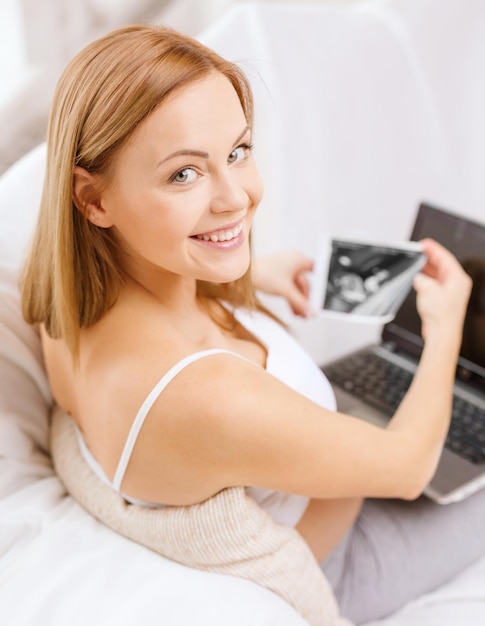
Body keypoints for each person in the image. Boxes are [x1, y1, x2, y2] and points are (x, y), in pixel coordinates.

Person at [21, 24, 485, 624]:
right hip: (344, 560)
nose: (235, 197)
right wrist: (444, 330)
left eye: (237, 152)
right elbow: (406, 466)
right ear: (94, 200)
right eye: (184, 174)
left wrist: (249, 275)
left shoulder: (64, 298)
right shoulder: (205, 394)